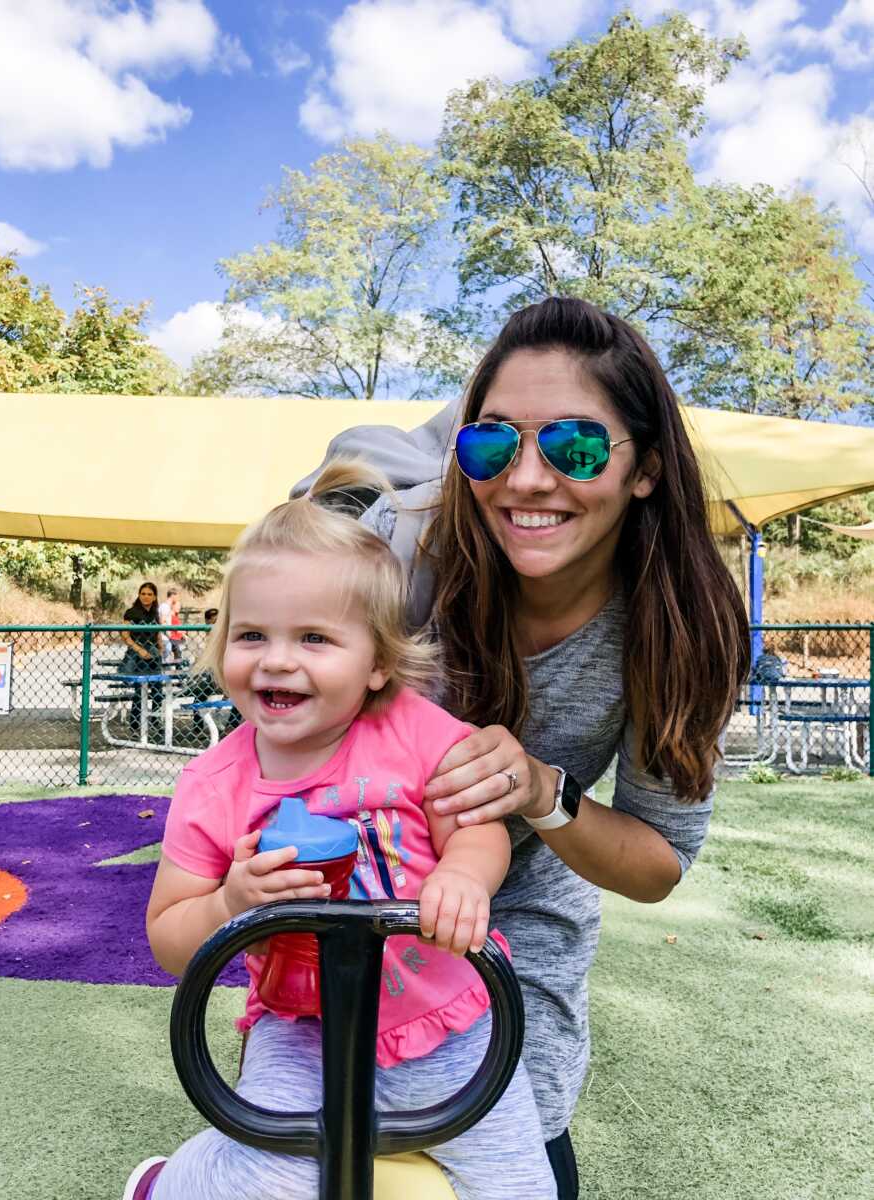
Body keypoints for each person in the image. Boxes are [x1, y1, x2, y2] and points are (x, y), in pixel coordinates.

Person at [291, 295, 751, 1196]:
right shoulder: (411, 549)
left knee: (524, 1155)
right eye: (492, 446)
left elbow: (658, 864)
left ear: (646, 468)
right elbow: (284, 742)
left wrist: (544, 791)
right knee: (318, 1139)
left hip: (522, 914)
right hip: (359, 896)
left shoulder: (681, 626)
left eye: (576, 447)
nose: (527, 480)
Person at [123, 460, 558, 1200]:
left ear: (380, 662)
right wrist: (231, 902)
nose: (279, 660)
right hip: (301, 1026)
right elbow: (169, 938)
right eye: (252, 634)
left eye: (315, 639)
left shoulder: (418, 733)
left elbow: (476, 832)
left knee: (521, 1190)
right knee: (266, 1178)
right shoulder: (214, 784)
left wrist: (462, 876)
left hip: (449, 1014)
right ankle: (167, 1184)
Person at [186, 607, 242, 741]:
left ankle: (231, 726)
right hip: (208, 677)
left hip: (224, 675)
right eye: (213, 621)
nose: (216, 625)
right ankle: (197, 728)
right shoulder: (200, 640)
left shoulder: (227, 638)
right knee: (200, 694)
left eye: (219, 621)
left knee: (239, 694)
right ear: (207, 622)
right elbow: (200, 663)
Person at [120, 582, 165, 735]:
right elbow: (125, 636)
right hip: (138, 654)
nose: (146, 597)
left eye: (149, 594)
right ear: (139, 595)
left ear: (154, 597)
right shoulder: (131, 613)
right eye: (143, 594)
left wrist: (160, 646)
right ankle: (135, 725)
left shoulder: (155, 613)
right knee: (141, 691)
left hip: (153, 655)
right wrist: (139, 650)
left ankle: (156, 721)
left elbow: (158, 632)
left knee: (158, 690)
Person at [158, 587, 183, 664]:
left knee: (166, 661)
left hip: (166, 638)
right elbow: (162, 621)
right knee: (165, 662)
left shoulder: (167, 607)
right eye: (177, 596)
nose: (178, 599)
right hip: (164, 638)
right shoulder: (165, 607)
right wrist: (169, 635)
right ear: (173, 595)